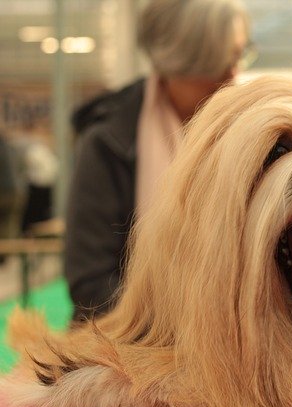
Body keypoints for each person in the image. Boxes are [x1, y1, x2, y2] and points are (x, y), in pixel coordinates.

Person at [65, 0, 251, 321]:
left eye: (238, 57)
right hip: (130, 336)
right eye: (217, 65)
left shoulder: (247, 135)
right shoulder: (109, 142)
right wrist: (189, 323)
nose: (232, 76)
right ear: (174, 65)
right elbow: (91, 283)